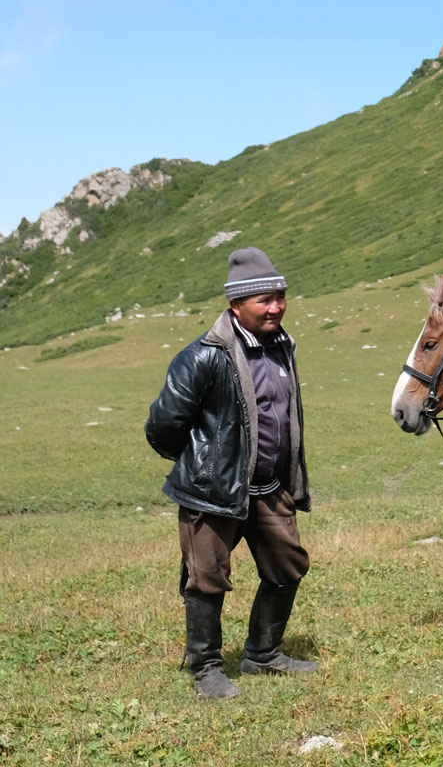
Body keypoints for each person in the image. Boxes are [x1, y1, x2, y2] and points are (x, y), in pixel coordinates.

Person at [145, 247, 315, 699]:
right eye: (264, 299)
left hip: (270, 488)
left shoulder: (283, 348)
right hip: (214, 493)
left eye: (280, 295)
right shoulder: (202, 356)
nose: (276, 306)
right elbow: (163, 425)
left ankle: (262, 655)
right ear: (235, 305)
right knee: (207, 577)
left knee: (287, 566)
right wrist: (204, 466)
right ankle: (206, 670)